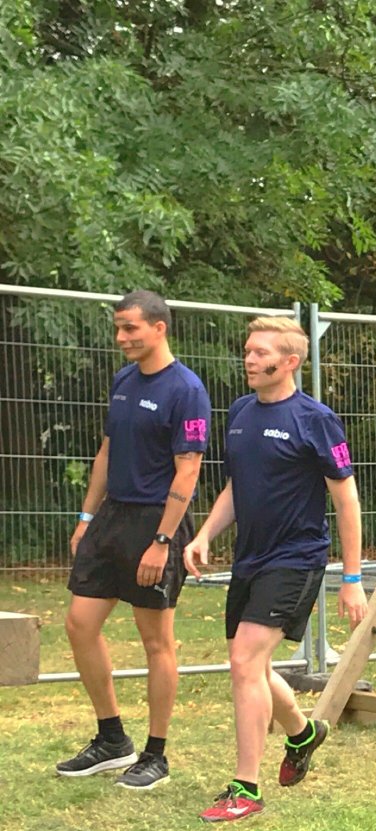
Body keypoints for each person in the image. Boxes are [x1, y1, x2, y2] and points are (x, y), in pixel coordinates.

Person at [183, 317, 368, 822]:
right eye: (247, 350)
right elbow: (236, 488)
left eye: (260, 352)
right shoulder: (240, 412)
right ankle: (303, 734)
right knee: (254, 667)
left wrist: (352, 579)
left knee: (245, 662)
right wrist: (204, 535)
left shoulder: (316, 420)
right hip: (251, 558)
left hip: (296, 558)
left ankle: (245, 788)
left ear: (289, 362)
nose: (248, 359)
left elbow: (347, 500)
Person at [57, 290, 211, 790]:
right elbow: (107, 451)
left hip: (156, 522)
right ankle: (111, 740)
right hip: (111, 517)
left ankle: (155, 755)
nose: (121, 337)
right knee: (79, 624)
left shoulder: (186, 389)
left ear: (159, 328)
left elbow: (189, 471)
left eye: (130, 328)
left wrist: (163, 540)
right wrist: (87, 516)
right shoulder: (123, 380)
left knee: (155, 640)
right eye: (118, 328)